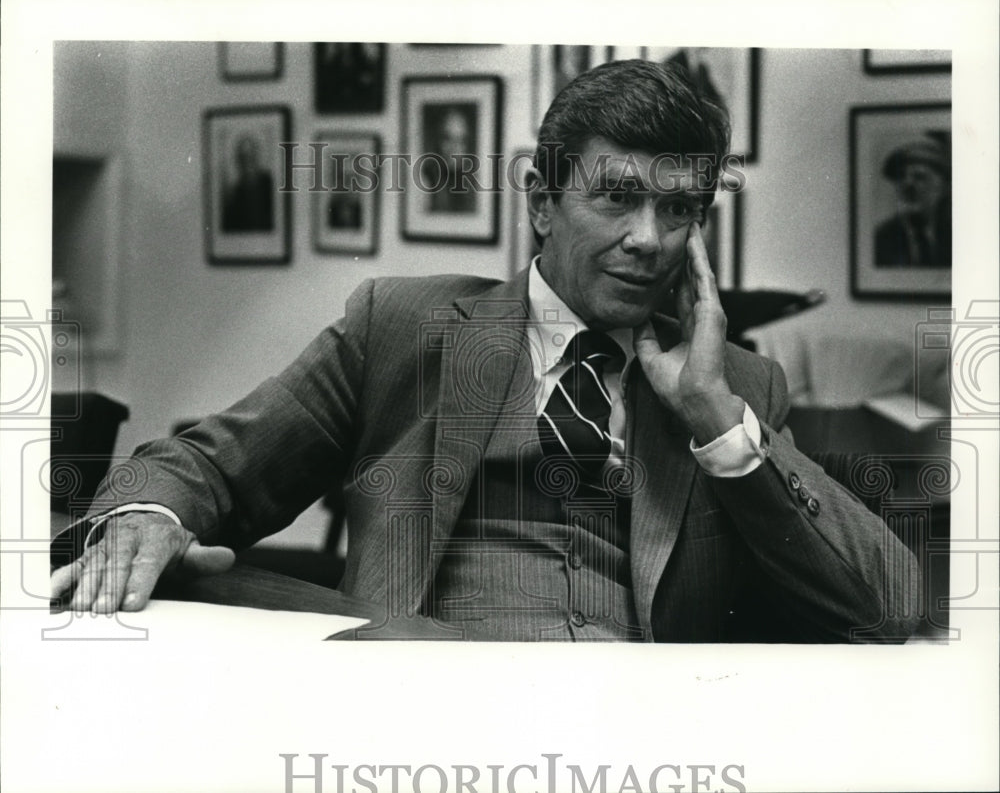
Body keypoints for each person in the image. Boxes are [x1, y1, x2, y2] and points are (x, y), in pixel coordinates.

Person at [51, 60, 919, 642]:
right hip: (418, 728)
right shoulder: (402, 326)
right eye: (617, 198)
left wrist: (717, 423)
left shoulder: (736, 386)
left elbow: (891, 602)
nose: (649, 239)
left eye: (680, 209)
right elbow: (211, 468)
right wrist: (143, 517)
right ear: (543, 202)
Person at [874, 136, 951, 268]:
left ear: (943, 187)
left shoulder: (958, 237)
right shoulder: (880, 240)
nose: (907, 184)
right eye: (901, 177)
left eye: (920, 177)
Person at [221, 133, 274, 233]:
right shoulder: (235, 193)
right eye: (243, 157)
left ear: (256, 157)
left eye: (250, 156)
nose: (247, 162)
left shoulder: (269, 184)